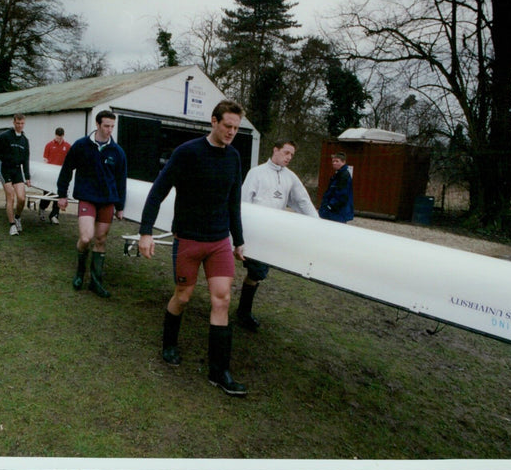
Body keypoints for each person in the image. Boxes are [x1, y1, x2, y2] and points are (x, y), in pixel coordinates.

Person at [138, 100, 248, 396]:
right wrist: (145, 232)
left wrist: (238, 240)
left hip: (219, 241)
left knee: (222, 300)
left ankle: (219, 371)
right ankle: (169, 344)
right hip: (188, 239)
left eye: (236, 128)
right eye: (227, 126)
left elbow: (233, 202)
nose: (231, 132)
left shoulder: (234, 157)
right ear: (213, 121)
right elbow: (157, 192)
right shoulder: (187, 153)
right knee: (183, 296)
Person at [237, 139, 318, 331]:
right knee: (255, 272)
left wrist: (318, 224)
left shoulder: (290, 177)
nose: (289, 157)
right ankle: (243, 313)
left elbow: (303, 201)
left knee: (257, 275)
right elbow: (243, 202)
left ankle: (243, 311)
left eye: (291, 155)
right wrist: (239, 234)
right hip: (253, 232)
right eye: (286, 153)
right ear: (276, 150)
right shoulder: (256, 173)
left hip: (271, 235)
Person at [57, 110, 127, 298]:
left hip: (107, 200)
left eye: (112, 126)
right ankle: (80, 272)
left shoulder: (117, 152)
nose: (109, 130)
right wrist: (62, 194)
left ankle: (96, 282)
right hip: (87, 197)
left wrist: (120, 206)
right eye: (106, 126)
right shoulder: (81, 146)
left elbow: (121, 180)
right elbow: (66, 169)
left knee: (101, 240)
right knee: (86, 238)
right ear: (97, 125)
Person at [0, 113, 31, 236]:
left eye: (22, 123)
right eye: (18, 123)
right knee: (10, 196)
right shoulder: (5, 136)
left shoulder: (24, 140)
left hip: (17, 170)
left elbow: (26, 159)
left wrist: (27, 177)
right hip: (5, 168)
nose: (20, 126)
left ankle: (17, 218)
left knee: (22, 198)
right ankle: (12, 225)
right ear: (13, 123)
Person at [40, 127, 71, 225]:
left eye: (61, 137)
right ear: (55, 135)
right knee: (47, 194)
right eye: (58, 137)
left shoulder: (67, 146)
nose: (59, 139)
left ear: (63, 135)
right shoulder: (49, 145)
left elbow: (69, 161)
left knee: (59, 195)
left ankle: (54, 215)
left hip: (61, 174)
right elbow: (45, 160)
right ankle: (42, 209)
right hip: (50, 174)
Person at [318, 151, 354, 223]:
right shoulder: (337, 174)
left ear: (343, 162)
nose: (334, 163)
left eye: (337, 161)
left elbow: (341, 195)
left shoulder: (344, 176)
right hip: (332, 211)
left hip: (337, 213)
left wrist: (330, 206)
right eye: (333, 161)